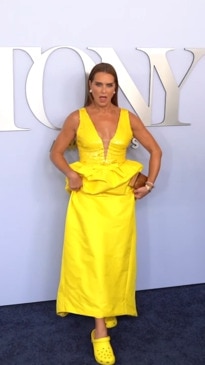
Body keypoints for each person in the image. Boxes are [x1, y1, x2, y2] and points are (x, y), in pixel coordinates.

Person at [50, 62, 162, 365]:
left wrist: (148, 184)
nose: (104, 91)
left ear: (115, 89)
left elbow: (156, 151)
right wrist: (71, 175)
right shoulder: (77, 118)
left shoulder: (128, 118)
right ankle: (100, 332)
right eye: (98, 84)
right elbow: (56, 152)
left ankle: (109, 305)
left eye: (109, 85)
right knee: (93, 257)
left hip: (119, 200)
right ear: (90, 86)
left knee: (114, 256)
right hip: (87, 199)